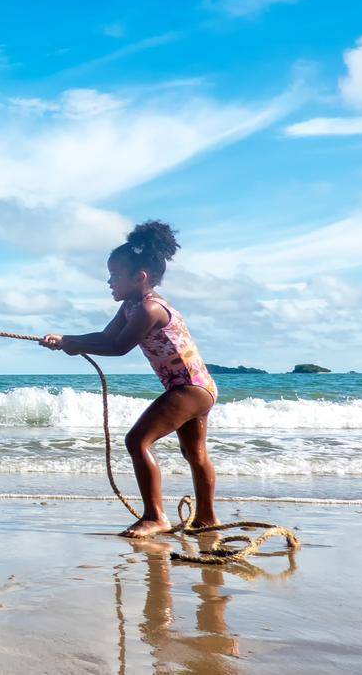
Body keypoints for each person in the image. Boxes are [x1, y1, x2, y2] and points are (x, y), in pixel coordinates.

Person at [41, 221, 219, 537]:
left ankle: (155, 516)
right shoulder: (131, 306)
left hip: (189, 387)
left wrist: (76, 344)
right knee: (194, 453)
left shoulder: (150, 308)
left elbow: (119, 346)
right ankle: (206, 518)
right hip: (198, 387)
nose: (109, 281)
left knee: (137, 440)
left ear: (140, 278)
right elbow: (107, 335)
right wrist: (67, 338)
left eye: (115, 276)